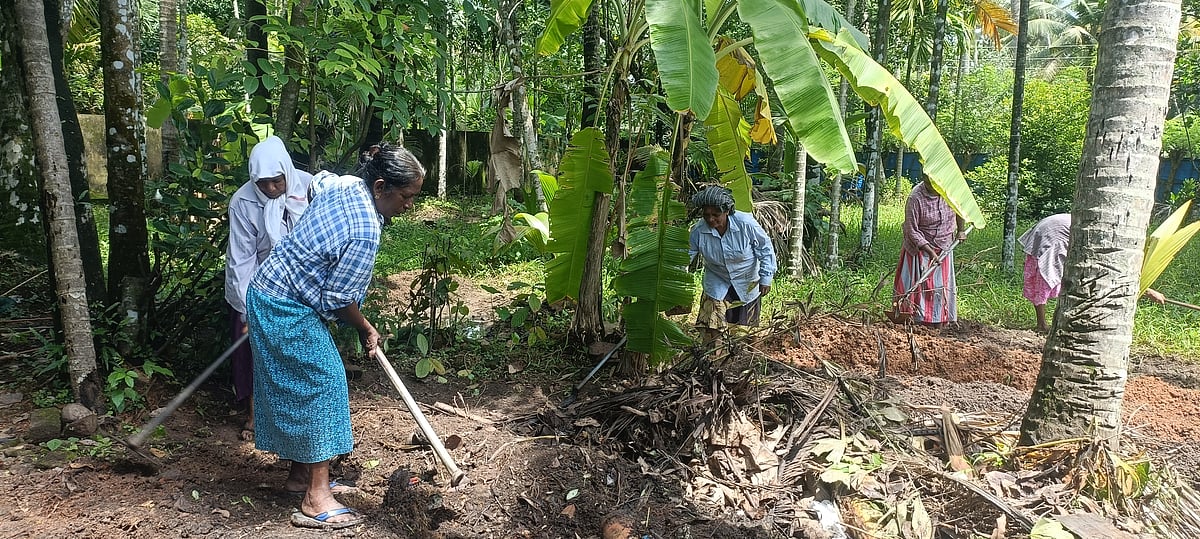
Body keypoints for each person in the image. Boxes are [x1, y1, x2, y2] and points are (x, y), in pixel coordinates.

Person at [245, 143, 424, 530]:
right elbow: (340, 299)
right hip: (284, 304)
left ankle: (299, 476)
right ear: (380, 187)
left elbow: (316, 185)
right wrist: (365, 327)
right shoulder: (365, 231)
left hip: (269, 291)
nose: (410, 206)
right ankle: (316, 497)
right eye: (407, 197)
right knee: (323, 383)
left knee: (299, 386)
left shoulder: (345, 184)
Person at [224, 135, 313, 441]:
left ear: (287, 172)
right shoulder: (243, 202)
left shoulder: (309, 186)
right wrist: (249, 312)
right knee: (249, 352)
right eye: (264, 183)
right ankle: (252, 413)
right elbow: (241, 261)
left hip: (300, 283)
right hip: (256, 283)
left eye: (277, 181)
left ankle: (294, 414)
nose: (272, 189)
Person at [688, 186, 777, 346]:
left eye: (716, 215)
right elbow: (686, 256)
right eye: (706, 215)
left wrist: (766, 278)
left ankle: (747, 357)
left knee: (746, 330)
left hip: (746, 279)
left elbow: (765, 249)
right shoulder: (698, 231)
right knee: (711, 322)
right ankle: (713, 356)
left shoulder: (746, 224)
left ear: (727, 212)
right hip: (717, 279)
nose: (710, 219)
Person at [892, 175, 967, 328]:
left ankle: (938, 321)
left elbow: (959, 208)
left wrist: (961, 230)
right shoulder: (915, 197)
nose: (931, 187)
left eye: (934, 184)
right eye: (927, 183)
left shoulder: (949, 189)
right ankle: (916, 320)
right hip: (919, 248)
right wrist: (928, 250)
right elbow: (911, 229)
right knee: (919, 286)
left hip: (944, 244)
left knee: (939, 286)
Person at [1018, 213, 1071, 332]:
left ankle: (1042, 323)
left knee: (1040, 278)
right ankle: (1042, 324)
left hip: (1046, 230)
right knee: (1044, 278)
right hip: (1052, 234)